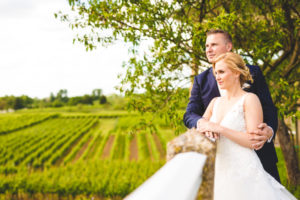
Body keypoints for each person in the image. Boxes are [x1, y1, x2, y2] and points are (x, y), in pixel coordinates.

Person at [183, 29, 280, 182]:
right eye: (207, 45)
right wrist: (203, 123)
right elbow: (189, 115)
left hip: (257, 160)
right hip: (220, 164)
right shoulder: (200, 80)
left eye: (214, 44)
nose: (208, 49)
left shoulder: (252, 72)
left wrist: (269, 131)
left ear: (228, 46)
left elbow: (269, 108)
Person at [197, 52, 296, 200]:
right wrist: (205, 130)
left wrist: (220, 129)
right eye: (216, 72)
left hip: (243, 171)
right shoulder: (214, 102)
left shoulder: (249, 99)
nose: (217, 76)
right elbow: (201, 128)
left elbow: (253, 141)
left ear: (236, 73)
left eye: (222, 72)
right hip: (217, 169)